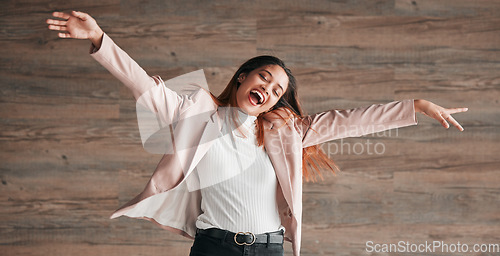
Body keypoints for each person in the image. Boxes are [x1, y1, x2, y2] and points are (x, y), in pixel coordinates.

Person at [47, 11, 468, 256]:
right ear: (244, 77)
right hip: (215, 247)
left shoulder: (285, 132)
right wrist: (100, 38)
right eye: (263, 78)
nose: (268, 89)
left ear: (274, 102)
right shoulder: (196, 112)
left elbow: (349, 120)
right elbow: (143, 85)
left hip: (269, 249)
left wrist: (416, 106)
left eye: (277, 90)